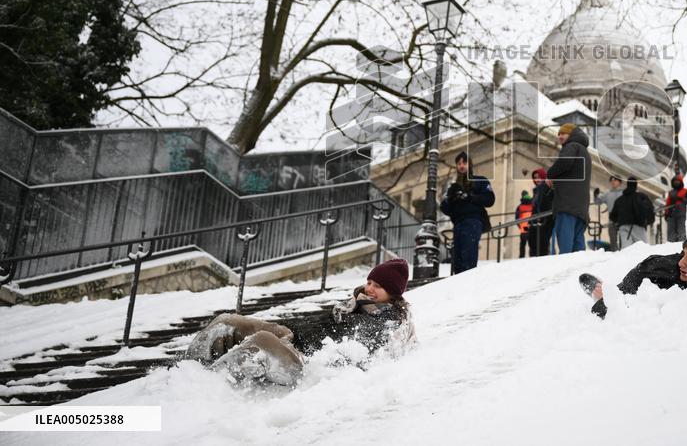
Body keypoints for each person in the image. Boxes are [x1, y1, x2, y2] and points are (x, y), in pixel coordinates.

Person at [186, 258, 415, 385]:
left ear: (393, 294)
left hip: (306, 362)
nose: (370, 289)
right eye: (370, 282)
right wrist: (285, 331)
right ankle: (185, 370)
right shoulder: (352, 304)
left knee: (262, 340)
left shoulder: (388, 322)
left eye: (378, 286)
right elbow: (316, 326)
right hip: (294, 338)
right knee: (228, 321)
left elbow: (353, 355)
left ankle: (206, 385)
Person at [579, 232, 687, 319]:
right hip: (646, 283)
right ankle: (601, 291)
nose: (682, 262)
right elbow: (635, 278)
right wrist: (609, 301)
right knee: (619, 294)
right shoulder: (665, 268)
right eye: (684, 253)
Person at [440, 151, 496, 274]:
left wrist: (470, 197)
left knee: (468, 258)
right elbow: (445, 209)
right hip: (458, 224)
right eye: (459, 163)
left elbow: (490, 199)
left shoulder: (480, 181)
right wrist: (449, 199)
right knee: (458, 262)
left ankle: (467, 284)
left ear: (470, 164)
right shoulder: (453, 187)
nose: (461, 166)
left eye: (464, 162)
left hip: (473, 221)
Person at [546, 123, 593, 254]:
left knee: (565, 247)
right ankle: (579, 272)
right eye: (559, 134)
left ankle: (564, 272)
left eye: (563, 133)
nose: (560, 136)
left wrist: (550, 174)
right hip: (581, 207)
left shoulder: (571, 146)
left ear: (571, 135)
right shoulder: (585, 152)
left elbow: (565, 162)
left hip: (567, 204)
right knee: (578, 247)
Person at [608, 176, 655, 249]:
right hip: (638, 226)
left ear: (627, 184)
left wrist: (619, 222)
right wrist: (647, 222)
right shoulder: (641, 197)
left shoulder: (620, 200)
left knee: (626, 250)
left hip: (623, 226)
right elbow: (650, 210)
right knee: (642, 250)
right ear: (636, 185)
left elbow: (612, 216)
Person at [594, 175, 624, 251]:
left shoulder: (624, 193)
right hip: (612, 221)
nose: (613, 182)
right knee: (613, 242)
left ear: (619, 182)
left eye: (615, 180)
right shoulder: (607, 193)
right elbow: (598, 202)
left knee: (623, 242)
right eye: (612, 180)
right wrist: (596, 196)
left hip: (623, 221)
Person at [530, 168, 555, 256]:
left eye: (539, 177)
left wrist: (542, 216)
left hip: (546, 220)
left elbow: (549, 203)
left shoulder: (548, 187)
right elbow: (534, 207)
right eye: (535, 178)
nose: (537, 180)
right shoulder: (536, 191)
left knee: (543, 245)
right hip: (536, 221)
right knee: (533, 242)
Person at [664, 174, 687, 242]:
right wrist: (666, 213)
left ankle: (682, 243)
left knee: (681, 229)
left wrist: (682, 199)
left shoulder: (685, 191)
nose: (676, 182)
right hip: (671, 214)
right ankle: (671, 244)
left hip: (681, 214)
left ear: (680, 182)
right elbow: (667, 203)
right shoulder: (671, 193)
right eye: (675, 181)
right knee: (671, 231)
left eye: (677, 181)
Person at [515, 190, 534, 258]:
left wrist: (520, 227)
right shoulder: (532, 205)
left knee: (522, 245)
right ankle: (532, 257)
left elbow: (516, 219)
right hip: (531, 227)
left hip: (523, 228)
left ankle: (521, 257)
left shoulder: (519, 207)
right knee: (532, 244)